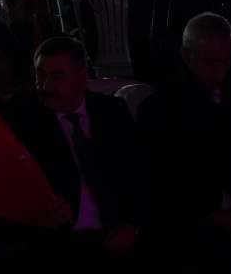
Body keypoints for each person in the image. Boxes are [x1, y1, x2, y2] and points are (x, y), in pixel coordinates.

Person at [138, 14, 231, 272]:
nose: (218, 71)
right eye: (209, 63)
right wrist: (214, 216)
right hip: (193, 219)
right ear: (186, 56)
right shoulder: (161, 110)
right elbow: (164, 180)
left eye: (225, 62)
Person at [8, 37, 145, 270]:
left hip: (119, 229)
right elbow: (12, 187)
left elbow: (140, 174)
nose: (45, 86)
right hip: (63, 242)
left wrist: (132, 225)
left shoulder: (111, 112)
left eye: (57, 77)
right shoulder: (26, 122)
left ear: (82, 77)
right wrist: (40, 208)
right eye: (40, 75)